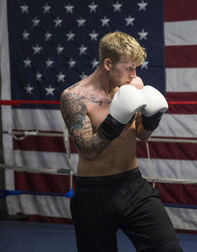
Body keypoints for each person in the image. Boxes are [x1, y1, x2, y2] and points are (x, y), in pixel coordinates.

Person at [60, 31, 183, 252]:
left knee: (168, 249)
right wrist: (115, 121)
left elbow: (142, 135)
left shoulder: (133, 86)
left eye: (136, 68)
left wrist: (152, 118)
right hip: (93, 194)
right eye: (128, 68)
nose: (134, 74)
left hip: (133, 186)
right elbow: (88, 150)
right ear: (108, 63)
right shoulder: (74, 97)